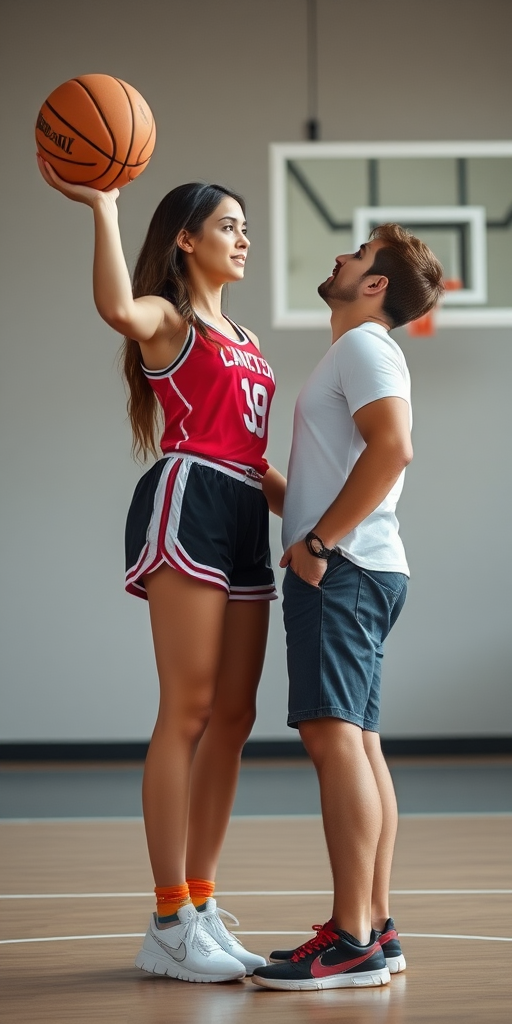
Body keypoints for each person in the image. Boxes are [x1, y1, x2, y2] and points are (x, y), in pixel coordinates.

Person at [37, 158, 286, 983]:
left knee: (237, 714)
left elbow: (253, 456)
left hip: (246, 504)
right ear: (185, 240)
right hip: (189, 498)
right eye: (227, 226)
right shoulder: (169, 321)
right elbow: (115, 306)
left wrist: (324, 520)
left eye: (245, 227)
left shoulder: (248, 341)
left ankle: (202, 901)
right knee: (188, 707)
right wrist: (105, 206)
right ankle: (168, 915)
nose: (243, 237)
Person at [252, 224, 444, 991]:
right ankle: (377, 926)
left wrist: (321, 547)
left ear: (376, 286)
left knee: (337, 744)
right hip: (364, 568)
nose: (342, 255)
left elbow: (391, 448)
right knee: (359, 745)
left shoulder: (363, 347)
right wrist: (258, 475)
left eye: (359, 254)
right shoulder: (357, 353)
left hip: (347, 572)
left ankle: (351, 937)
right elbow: (322, 484)